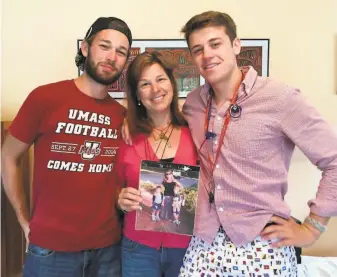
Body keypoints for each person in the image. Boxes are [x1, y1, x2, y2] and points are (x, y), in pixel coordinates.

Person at [176, 11, 337, 276]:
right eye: (198, 49)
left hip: (262, 245)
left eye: (215, 44)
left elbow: (333, 160)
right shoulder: (193, 104)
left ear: (236, 45)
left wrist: (312, 228)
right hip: (204, 243)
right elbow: (165, 133)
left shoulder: (280, 98)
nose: (207, 55)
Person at [1, 17, 132, 277]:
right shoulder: (45, 98)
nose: (112, 56)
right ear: (85, 48)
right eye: (105, 46)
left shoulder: (122, 116)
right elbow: (7, 157)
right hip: (51, 252)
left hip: (108, 251)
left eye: (121, 52)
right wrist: (23, 220)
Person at [116, 51, 198, 277]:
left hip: (188, 247)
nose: (155, 89)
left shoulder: (196, 131)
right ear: (137, 94)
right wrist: (120, 199)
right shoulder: (126, 136)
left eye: (161, 79)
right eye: (145, 84)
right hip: (138, 247)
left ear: (172, 84)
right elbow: (112, 186)